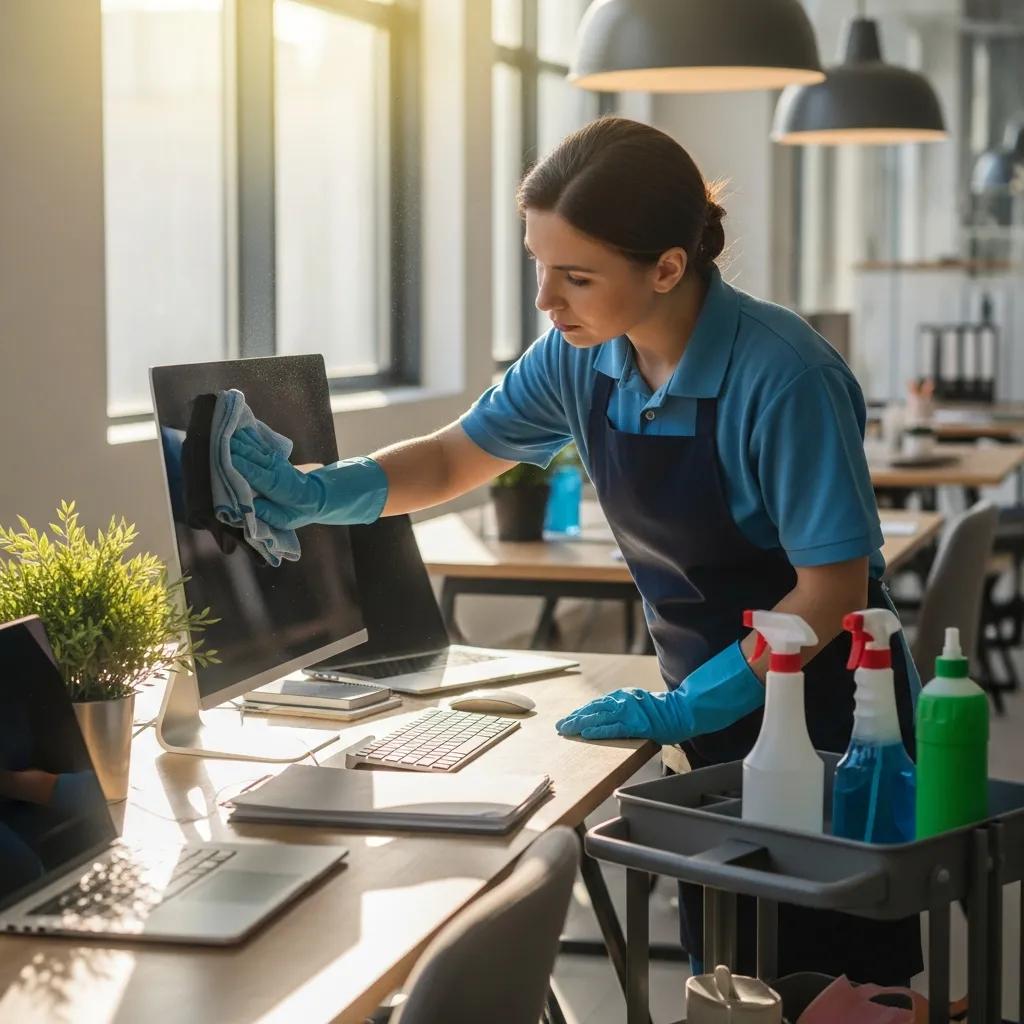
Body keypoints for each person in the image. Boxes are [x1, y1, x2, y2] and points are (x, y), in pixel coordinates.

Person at [229, 116, 922, 982]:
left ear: (669, 267)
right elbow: (453, 456)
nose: (547, 302)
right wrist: (320, 489)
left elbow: (828, 593)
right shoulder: (577, 357)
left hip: (835, 717)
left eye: (577, 277)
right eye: (539, 266)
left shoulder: (785, 377)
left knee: (833, 984)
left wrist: (689, 706)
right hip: (710, 707)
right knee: (731, 981)